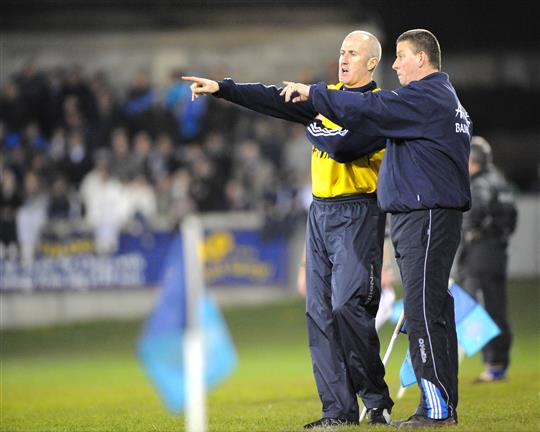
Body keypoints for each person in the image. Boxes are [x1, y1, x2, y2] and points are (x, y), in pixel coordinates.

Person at [183, 30, 394, 428]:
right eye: (341, 51)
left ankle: (376, 400)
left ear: (371, 63)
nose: (344, 58)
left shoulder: (379, 107)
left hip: (359, 212)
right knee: (318, 313)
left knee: (347, 306)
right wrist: (222, 89)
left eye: (353, 53)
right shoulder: (324, 96)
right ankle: (337, 412)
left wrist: (314, 125)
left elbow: (344, 148)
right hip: (320, 212)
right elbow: (271, 98)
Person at [281, 29, 472, 428]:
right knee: (428, 311)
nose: (396, 64)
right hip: (422, 215)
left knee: (422, 312)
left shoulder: (424, 97)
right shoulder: (441, 99)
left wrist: (314, 97)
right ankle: (435, 406)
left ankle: (435, 411)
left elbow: (371, 111)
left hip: (426, 214)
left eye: (401, 57)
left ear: (422, 58)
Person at [457, 136, 517, 383]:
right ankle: (498, 363)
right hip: (497, 252)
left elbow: (475, 211)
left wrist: (467, 230)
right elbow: (512, 219)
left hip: (480, 253)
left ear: (473, 160)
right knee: (496, 307)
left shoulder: (480, 183)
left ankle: (493, 364)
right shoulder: (501, 182)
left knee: (480, 308)